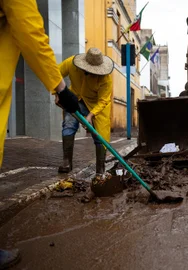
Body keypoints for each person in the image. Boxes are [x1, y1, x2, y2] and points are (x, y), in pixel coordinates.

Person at [0, 0, 79, 268]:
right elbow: (30, 30)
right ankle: (67, 160)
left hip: (88, 107)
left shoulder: (101, 80)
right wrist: (61, 89)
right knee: (68, 127)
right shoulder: (71, 64)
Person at [56, 47, 113, 176]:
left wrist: (90, 115)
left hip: (95, 104)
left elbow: (103, 101)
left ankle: (100, 169)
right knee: (68, 124)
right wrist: (57, 93)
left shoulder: (105, 79)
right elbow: (55, 74)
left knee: (100, 136)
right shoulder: (71, 63)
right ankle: (66, 162)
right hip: (74, 99)